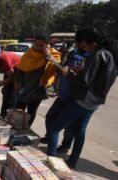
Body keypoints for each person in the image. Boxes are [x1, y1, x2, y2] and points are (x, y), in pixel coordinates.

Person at [46, 27, 117, 169]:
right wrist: (80, 72)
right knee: (79, 132)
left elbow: (83, 82)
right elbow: (96, 78)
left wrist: (68, 74)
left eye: (84, 45)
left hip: (82, 100)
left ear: (93, 43)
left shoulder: (97, 55)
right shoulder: (110, 55)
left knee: (54, 128)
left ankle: (51, 164)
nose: (84, 48)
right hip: (94, 102)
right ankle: (72, 162)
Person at [40, 37, 90, 153]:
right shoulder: (73, 53)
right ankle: (50, 138)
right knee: (50, 117)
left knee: (69, 125)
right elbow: (64, 69)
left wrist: (53, 61)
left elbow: (68, 73)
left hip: (71, 96)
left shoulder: (84, 58)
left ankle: (64, 146)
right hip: (63, 94)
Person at [14, 35, 61, 126]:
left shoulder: (53, 55)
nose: (38, 48)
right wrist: (17, 83)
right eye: (37, 45)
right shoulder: (28, 54)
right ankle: (16, 128)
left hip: (38, 89)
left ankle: (27, 129)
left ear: (47, 45)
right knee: (19, 110)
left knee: (32, 111)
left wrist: (48, 56)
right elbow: (20, 70)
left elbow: (57, 68)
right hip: (24, 87)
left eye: (41, 46)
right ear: (34, 44)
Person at [0, 52, 20, 118]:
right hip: (8, 71)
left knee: (12, 94)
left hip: (17, 70)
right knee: (5, 92)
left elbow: (10, 78)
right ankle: (3, 113)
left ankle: (11, 115)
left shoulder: (5, 60)